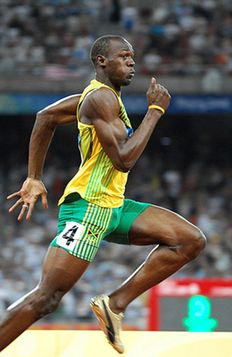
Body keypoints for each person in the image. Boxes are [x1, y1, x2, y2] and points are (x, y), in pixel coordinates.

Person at [2, 35, 206, 354]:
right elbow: (123, 160)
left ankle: (114, 304)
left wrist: (34, 176)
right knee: (47, 298)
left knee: (189, 240)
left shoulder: (98, 97)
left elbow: (46, 117)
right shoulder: (101, 100)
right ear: (101, 61)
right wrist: (154, 111)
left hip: (113, 207)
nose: (132, 62)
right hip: (87, 209)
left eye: (133, 57)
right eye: (124, 56)